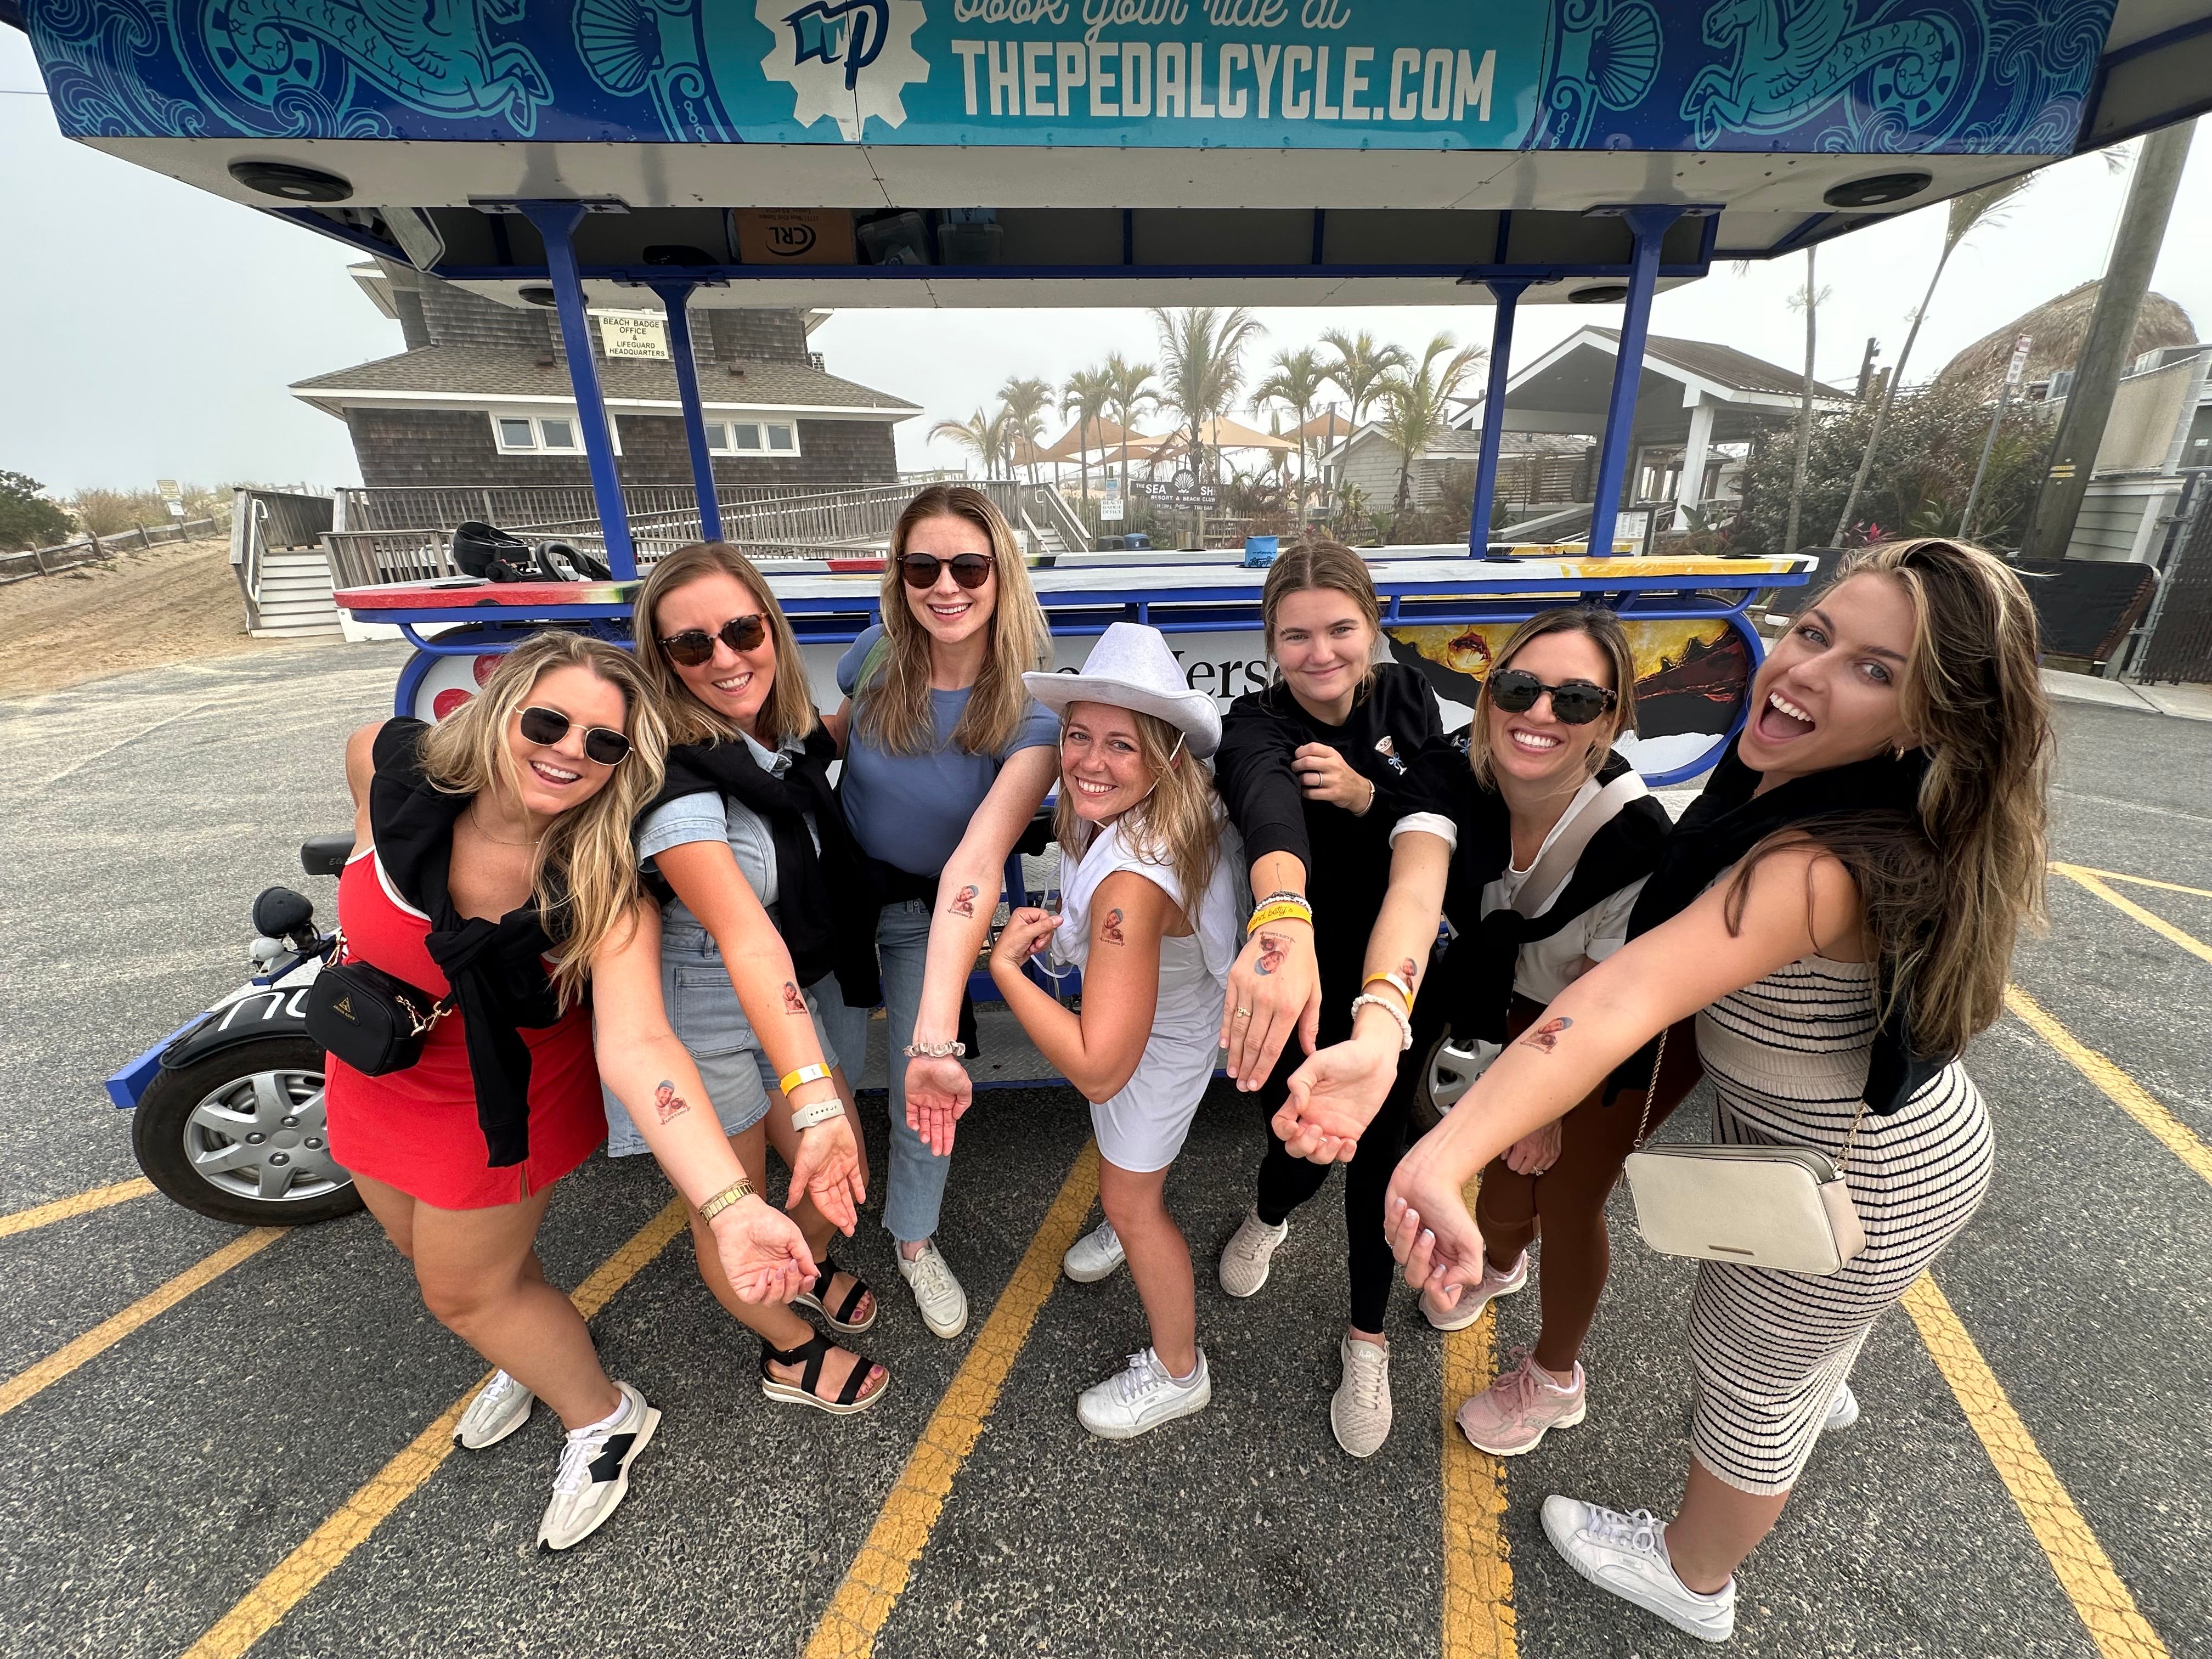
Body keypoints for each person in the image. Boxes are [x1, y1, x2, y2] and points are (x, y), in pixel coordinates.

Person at [1283, 540, 2048, 1644]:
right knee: (1794, 1348)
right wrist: (1395, 1032)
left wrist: (1444, 1152)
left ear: (1932, 718)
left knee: (1742, 1386)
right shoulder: (1789, 788)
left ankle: (1692, 1575)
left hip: (1853, 1179)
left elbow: (1626, 995)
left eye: (1877, 671)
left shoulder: (1816, 864)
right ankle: (1814, 1367)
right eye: (1816, 633)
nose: (1807, 671)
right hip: (1879, 1147)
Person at [326, 631, 822, 1551]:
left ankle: (602, 1416)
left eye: (605, 745)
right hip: (371, 1076)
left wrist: (729, 1206)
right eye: (549, 722)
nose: (570, 753)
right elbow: (364, 823)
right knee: (464, 1271)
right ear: (498, 709)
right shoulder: (388, 768)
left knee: (458, 1292)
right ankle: (528, 1340)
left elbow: (642, 1048)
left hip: (497, 1106)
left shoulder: (600, 889)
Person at [1381, 607, 1685, 1459]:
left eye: (1578, 700)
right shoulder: (1460, 777)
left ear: (1614, 719)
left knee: (1567, 1193)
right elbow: (1414, 883)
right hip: (1510, 1008)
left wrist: (1547, 1106)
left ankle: (1557, 1380)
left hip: (1620, 1030)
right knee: (1503, 1186)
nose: (1542, 713)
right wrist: (1381, 1009)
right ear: (1489, 693)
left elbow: (1607, 1002)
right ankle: (1502, 1264)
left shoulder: (1636, 840)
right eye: (1520, 687)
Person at [625, 541, 885, 1414]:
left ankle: (797, 1268)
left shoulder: (778, 739)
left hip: (786, 994)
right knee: (731, 1203)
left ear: (771, 628)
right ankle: (788, 1347)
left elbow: (839, 741)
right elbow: (743, 937)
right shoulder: (677, 778)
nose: (726, 657)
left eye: (742, 629)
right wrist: (809, 1095)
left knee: (838, 1167)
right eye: (692, 646)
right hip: (709, 1008)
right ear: (662, 663)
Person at [1204, 538, 1443, 1456]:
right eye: (1295, 635)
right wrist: (1283, 915)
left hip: (1396, 970)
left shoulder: (1405, 697)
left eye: (1341, 629)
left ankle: (1367, 1341)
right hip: (1293, 975)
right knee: (1299, 1145)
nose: (1321, 654)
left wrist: (1365, 796)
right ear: (1270, 641)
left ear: (1374, 627)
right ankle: (1268, 1219)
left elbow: (1438, 813)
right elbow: (1265, 808)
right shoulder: (1256, 723)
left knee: (1380, 1155)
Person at [987, 623, 1246, 1440]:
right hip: (1157, 1014)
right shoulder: (1178, 800)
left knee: (1132, 1200)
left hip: (1151, 1043)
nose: (1090, 762)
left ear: (1165, 755)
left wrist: (1005, 974)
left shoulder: (1129, 888)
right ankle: (1125, 1215)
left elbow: (1100, 1068)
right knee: (1125, 1166)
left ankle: (1179, 1371)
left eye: (1121, 746)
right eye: (1078, 736)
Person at [816, 484, 1058, 1342]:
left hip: (933, 910)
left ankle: (914, 1241)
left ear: (1002, 573)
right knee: (825, 1080)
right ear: (899, 574)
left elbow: (979, 858)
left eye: (968, 566)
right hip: (841, 894)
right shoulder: (879, 651)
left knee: (928, 1087)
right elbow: (835, 741)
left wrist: (929, 1032)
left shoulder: (1030, 704)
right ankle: (818, 1238)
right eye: (923, 566)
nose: (944, 586)